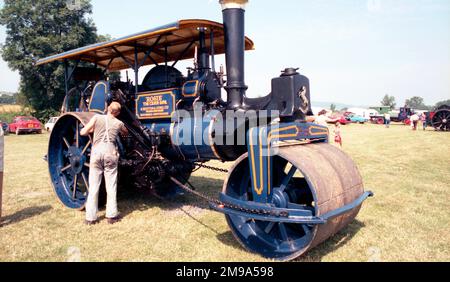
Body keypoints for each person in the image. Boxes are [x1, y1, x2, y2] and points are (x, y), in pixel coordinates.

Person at [80, 102, 128, 225]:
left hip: (96, 152)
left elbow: (83, 132)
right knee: (111, 186)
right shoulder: (119, 123)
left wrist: (92, 129)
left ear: (107, 109)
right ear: (117, 113)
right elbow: (125, 132)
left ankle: (90, 218)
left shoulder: (97, 118)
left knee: (94, 186)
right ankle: (111, 216)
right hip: (111, 153)